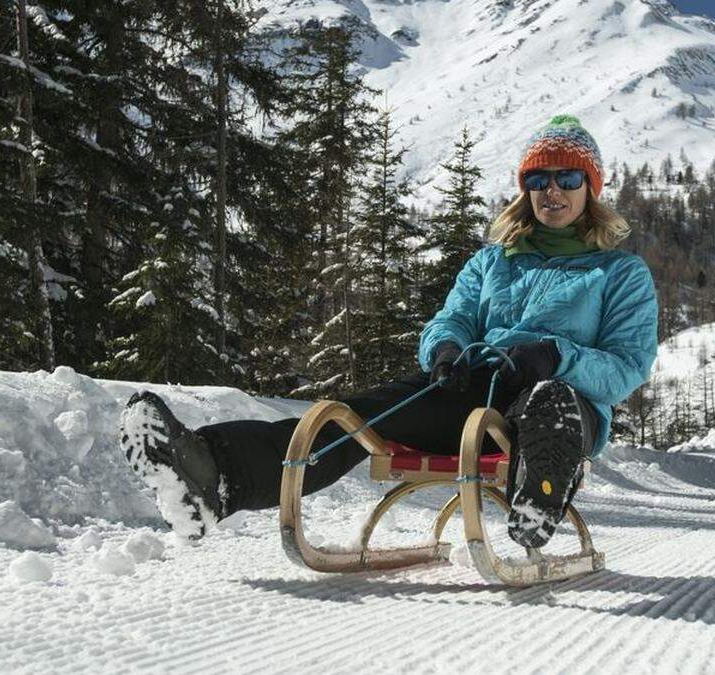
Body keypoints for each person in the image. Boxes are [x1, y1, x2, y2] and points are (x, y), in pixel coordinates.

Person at [119, 114, 658, 549]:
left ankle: (539, 490)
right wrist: (443, 348)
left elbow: (626, 369)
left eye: (568, 179)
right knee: (356, 418)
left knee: (550, 400)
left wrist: (557, 356)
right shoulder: (494, 261)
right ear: (525, 191)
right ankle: (216, 474)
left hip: (559, 405)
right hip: (476, 393)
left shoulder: (619, 273)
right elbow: (452, 318)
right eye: (539, 180)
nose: (552, 191)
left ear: (591, 189)